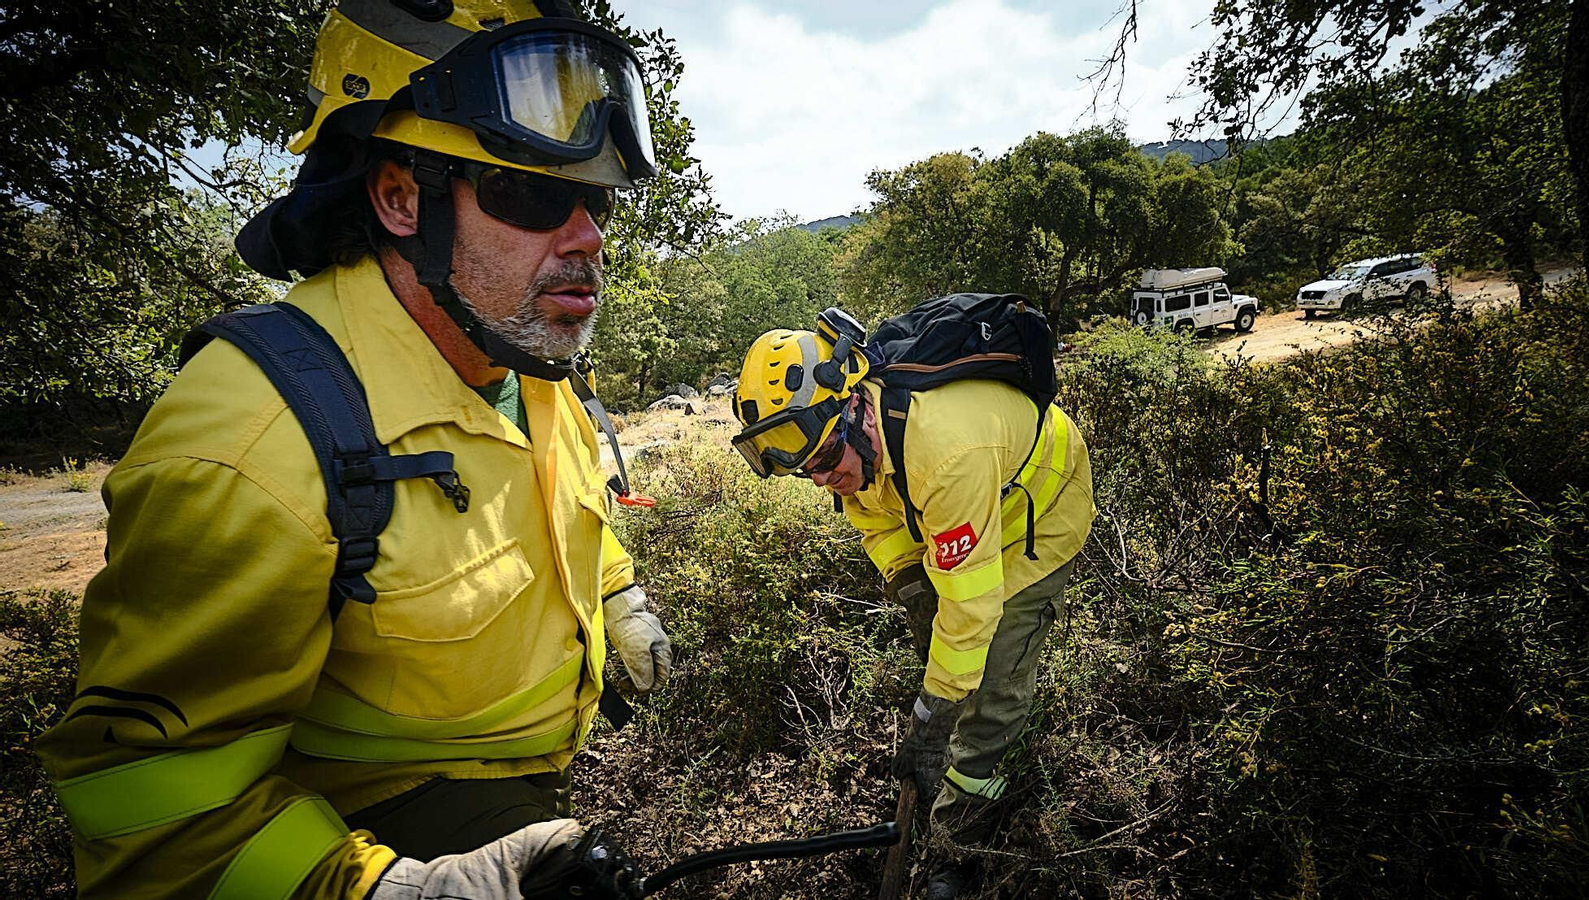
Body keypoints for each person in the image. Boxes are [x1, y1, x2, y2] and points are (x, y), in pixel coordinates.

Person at [36, 2, 672, 897]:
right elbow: (149, 809)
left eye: (594, 199)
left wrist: (618, 593)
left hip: (517, 775)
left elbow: (569, 506)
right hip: (362, 829)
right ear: (401, 198)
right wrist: (383, 890)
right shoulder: (250, 441)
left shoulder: (524, 360)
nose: (588, 237)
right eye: (529, 195)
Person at [730, 316, 1095, 899]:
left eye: (827, 458)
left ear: (855, 406)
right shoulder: (859, 443)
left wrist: (935, 712)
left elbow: (973, 609)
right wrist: (912, 585)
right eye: (808, 472)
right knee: (952, 642)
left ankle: (957, 844)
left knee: (993, 680)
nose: (823, 480)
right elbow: (878, 519)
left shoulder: (945, 451)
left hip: (1036, 518)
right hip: (966, 507)